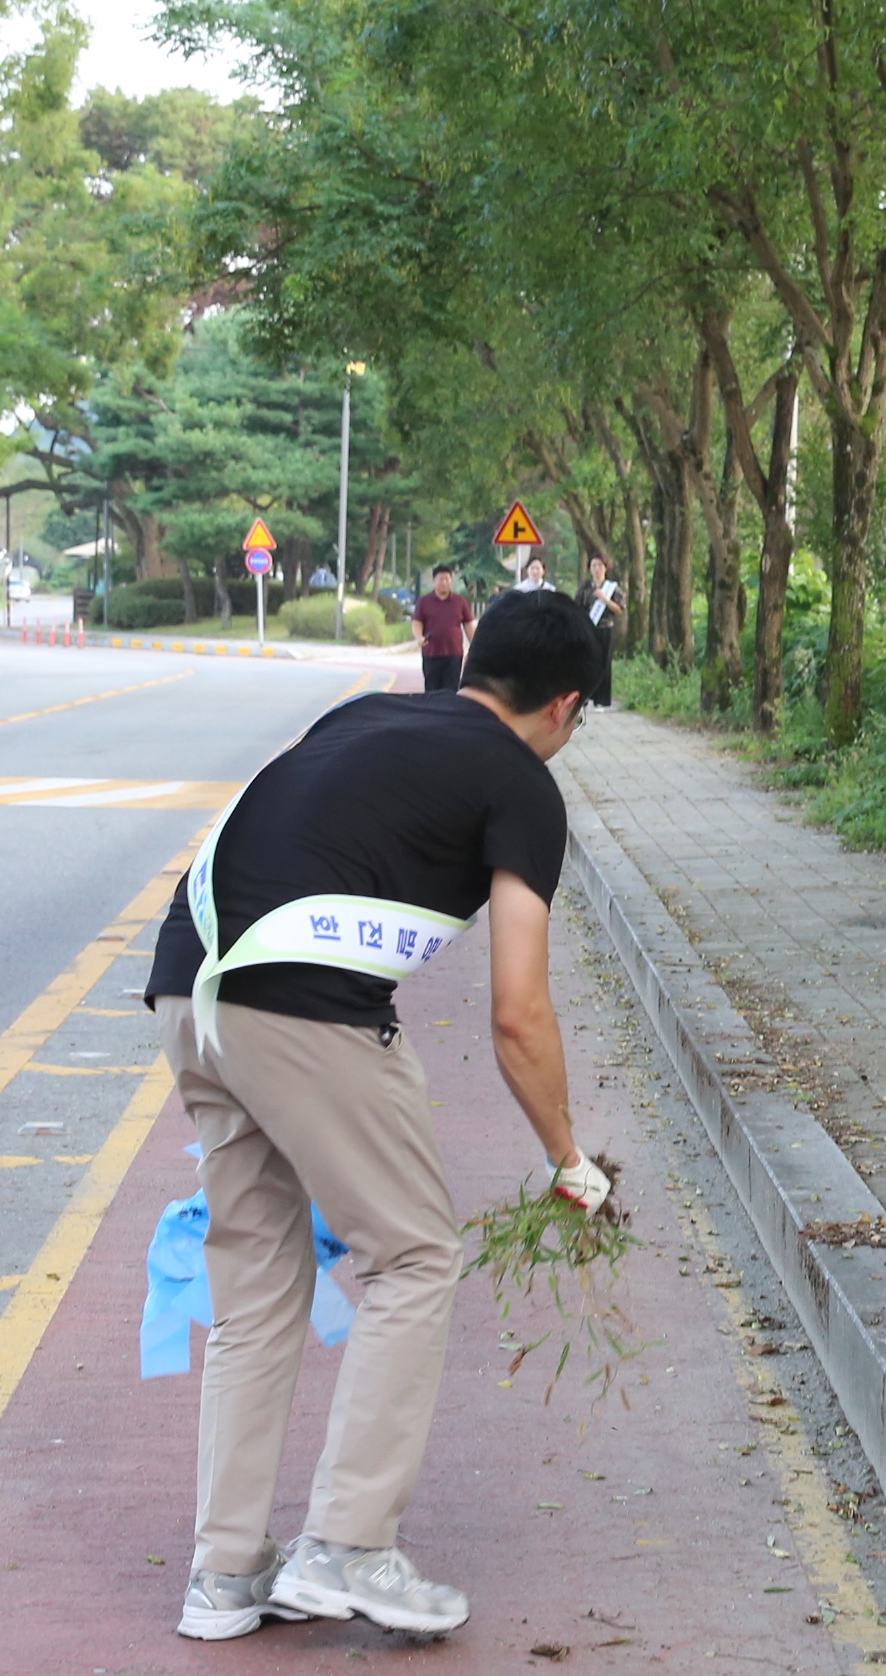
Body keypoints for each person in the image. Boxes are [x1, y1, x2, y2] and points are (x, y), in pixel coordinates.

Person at [145, 591, 615, 1642]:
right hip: (302, 1006)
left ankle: (224, 1578)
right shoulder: (521, 786)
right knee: (412, 1257)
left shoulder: (362, 714)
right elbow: (519, 1012)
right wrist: (566, 1158)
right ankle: (349, 1544)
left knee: (257, 1288)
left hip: (189, 984)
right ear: (565, 706)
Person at [409, 565, 472, 694]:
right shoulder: (424, 602)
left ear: (451, 582)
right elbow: (416, 622)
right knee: (432, 690)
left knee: (451, 690)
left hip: (453, 654)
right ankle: (432, 714)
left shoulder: (460, 602)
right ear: (434, 581)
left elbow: (469, 626)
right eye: (440, 579)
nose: (444, 582)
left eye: (447, 579)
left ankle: (448, 714)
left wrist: (475, 647)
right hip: (431, 653)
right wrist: (419, 638)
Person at [579, 558, 625, 709]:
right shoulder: (585, 587)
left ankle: (601, 700)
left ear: (606, 568)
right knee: (585, 663)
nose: (597, 569)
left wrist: (605, 599)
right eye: (593, 566)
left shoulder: (613, 588)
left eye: (600, 566)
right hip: (588, 628)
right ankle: (584, 697)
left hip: (605, 628)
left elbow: (619, 609)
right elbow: (577, 606)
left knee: (604, 663)